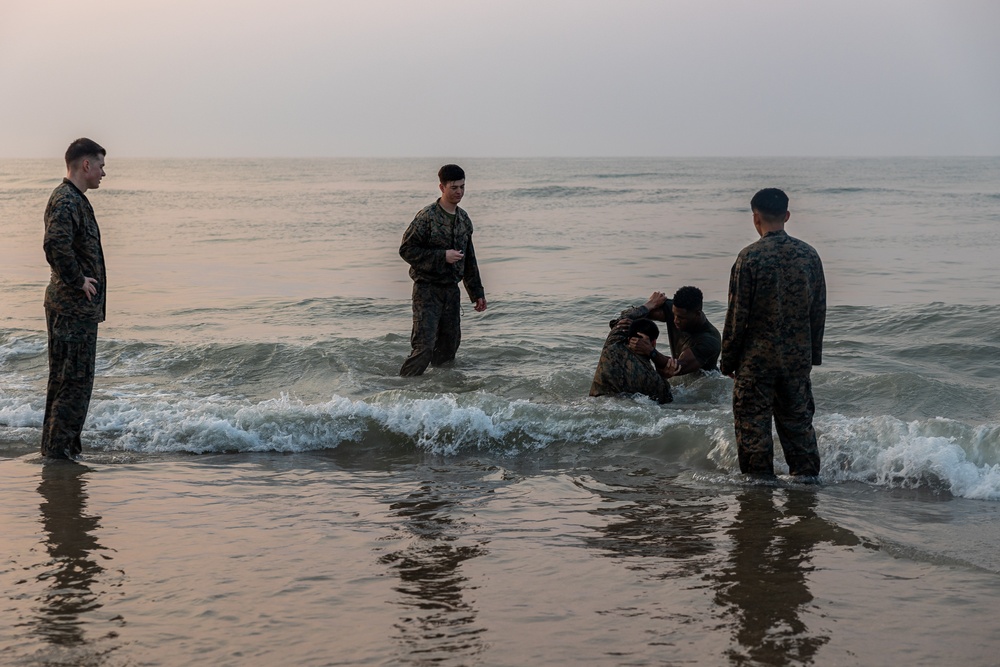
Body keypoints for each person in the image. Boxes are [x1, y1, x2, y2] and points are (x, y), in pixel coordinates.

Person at [720, 188, 826, 478]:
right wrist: (812, 356)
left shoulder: (749, 258)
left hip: (756, 364)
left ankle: (759, 500)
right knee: (799, 430)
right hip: (796, 363)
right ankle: (806, 492)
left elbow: (736, 315)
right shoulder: (809, 255)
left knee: (753, 433)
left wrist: (727, 360)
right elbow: (818, 310)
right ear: (787, 216)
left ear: (755, 218)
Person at [41, 138, 108, 459]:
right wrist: (78, 280)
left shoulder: (72, 199)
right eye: (100, 165)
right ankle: (60, 456)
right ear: (85, 165)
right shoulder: (68, 200)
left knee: (64, 381)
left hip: (70, 307)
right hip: (72, 309)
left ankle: (59, 451)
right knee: (75, 383)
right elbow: (55, 245)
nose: (103, 173)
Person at [398, 164, 487, 376]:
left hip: (451, 291)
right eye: (454, 187)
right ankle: (401, 392)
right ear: (442, 187)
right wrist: (442, 256)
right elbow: (406, 250)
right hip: (427, 290)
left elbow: (469, 260)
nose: (459, 192)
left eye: (462, 187)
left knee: (448, 349)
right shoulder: (427, 217)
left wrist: (477, 294)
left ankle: (439, 397)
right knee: (424, 348)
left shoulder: (464, 219)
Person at [624, 286, 721, 378]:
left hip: (704, 384)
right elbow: (627, 316)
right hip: (681, 380)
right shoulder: (676, 310)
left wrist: (651, 351)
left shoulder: (710, 340)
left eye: (681, 318)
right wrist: (649, 304)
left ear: (697, 314)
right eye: (674, 314)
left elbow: (679, 367)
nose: (676, 320)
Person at [590, 313, 678, 404]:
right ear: (654, 343)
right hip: (621, 409)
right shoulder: (650, 376)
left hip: (594, 403)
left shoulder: (612, 343)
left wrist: (649, 305)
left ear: (629, 338)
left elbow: (624, 317)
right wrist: (663, 376)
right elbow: (666, 398)